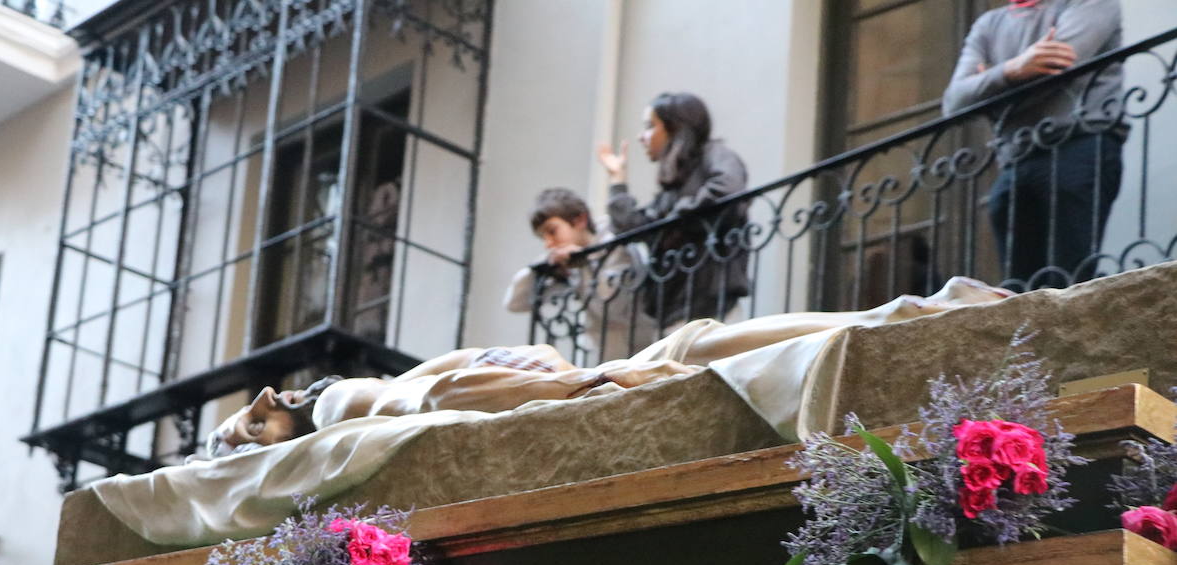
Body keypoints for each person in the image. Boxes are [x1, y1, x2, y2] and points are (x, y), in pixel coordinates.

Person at [205, 277, 1007, 456]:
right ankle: (918, 311)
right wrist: (566, 378)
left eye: (245, 421)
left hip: (610, 369)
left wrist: (565, 377)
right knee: (718, 345)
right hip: (613, 370)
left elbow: (454, 381)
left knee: (714, 344)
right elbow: (459, 383)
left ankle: (919, 311)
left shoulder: (340, 403)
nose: (262, 404)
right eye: (244, 428)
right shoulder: (341, 409)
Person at [942, 0, 1126, 287]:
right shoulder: (988, 24)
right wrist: (1014, 69)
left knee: (1071, 281)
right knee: (1019, 290)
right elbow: (954, 102)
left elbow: (1058, 72)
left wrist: (987, 90)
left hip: (1078, 144)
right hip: (1015, 160)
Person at [597, 91, 750, 326]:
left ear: (675, 127)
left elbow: (728, 189)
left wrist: (677, 219)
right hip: (675, 308)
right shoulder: (672, 188)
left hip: (712, 306)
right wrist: (618, 178)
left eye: (649, 126)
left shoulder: (715, 154)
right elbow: (633, 227)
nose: (641, 137)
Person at [502, 188, 648, 363]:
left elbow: (613, 308)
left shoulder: (617, 244)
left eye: (552, 231)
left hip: (643, 352)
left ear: (580, 219)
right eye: (543, 237)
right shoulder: (568, 262)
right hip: (605, 359)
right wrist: (541, 267)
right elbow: (515, 303)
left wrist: (585, 263)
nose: (548, 243)